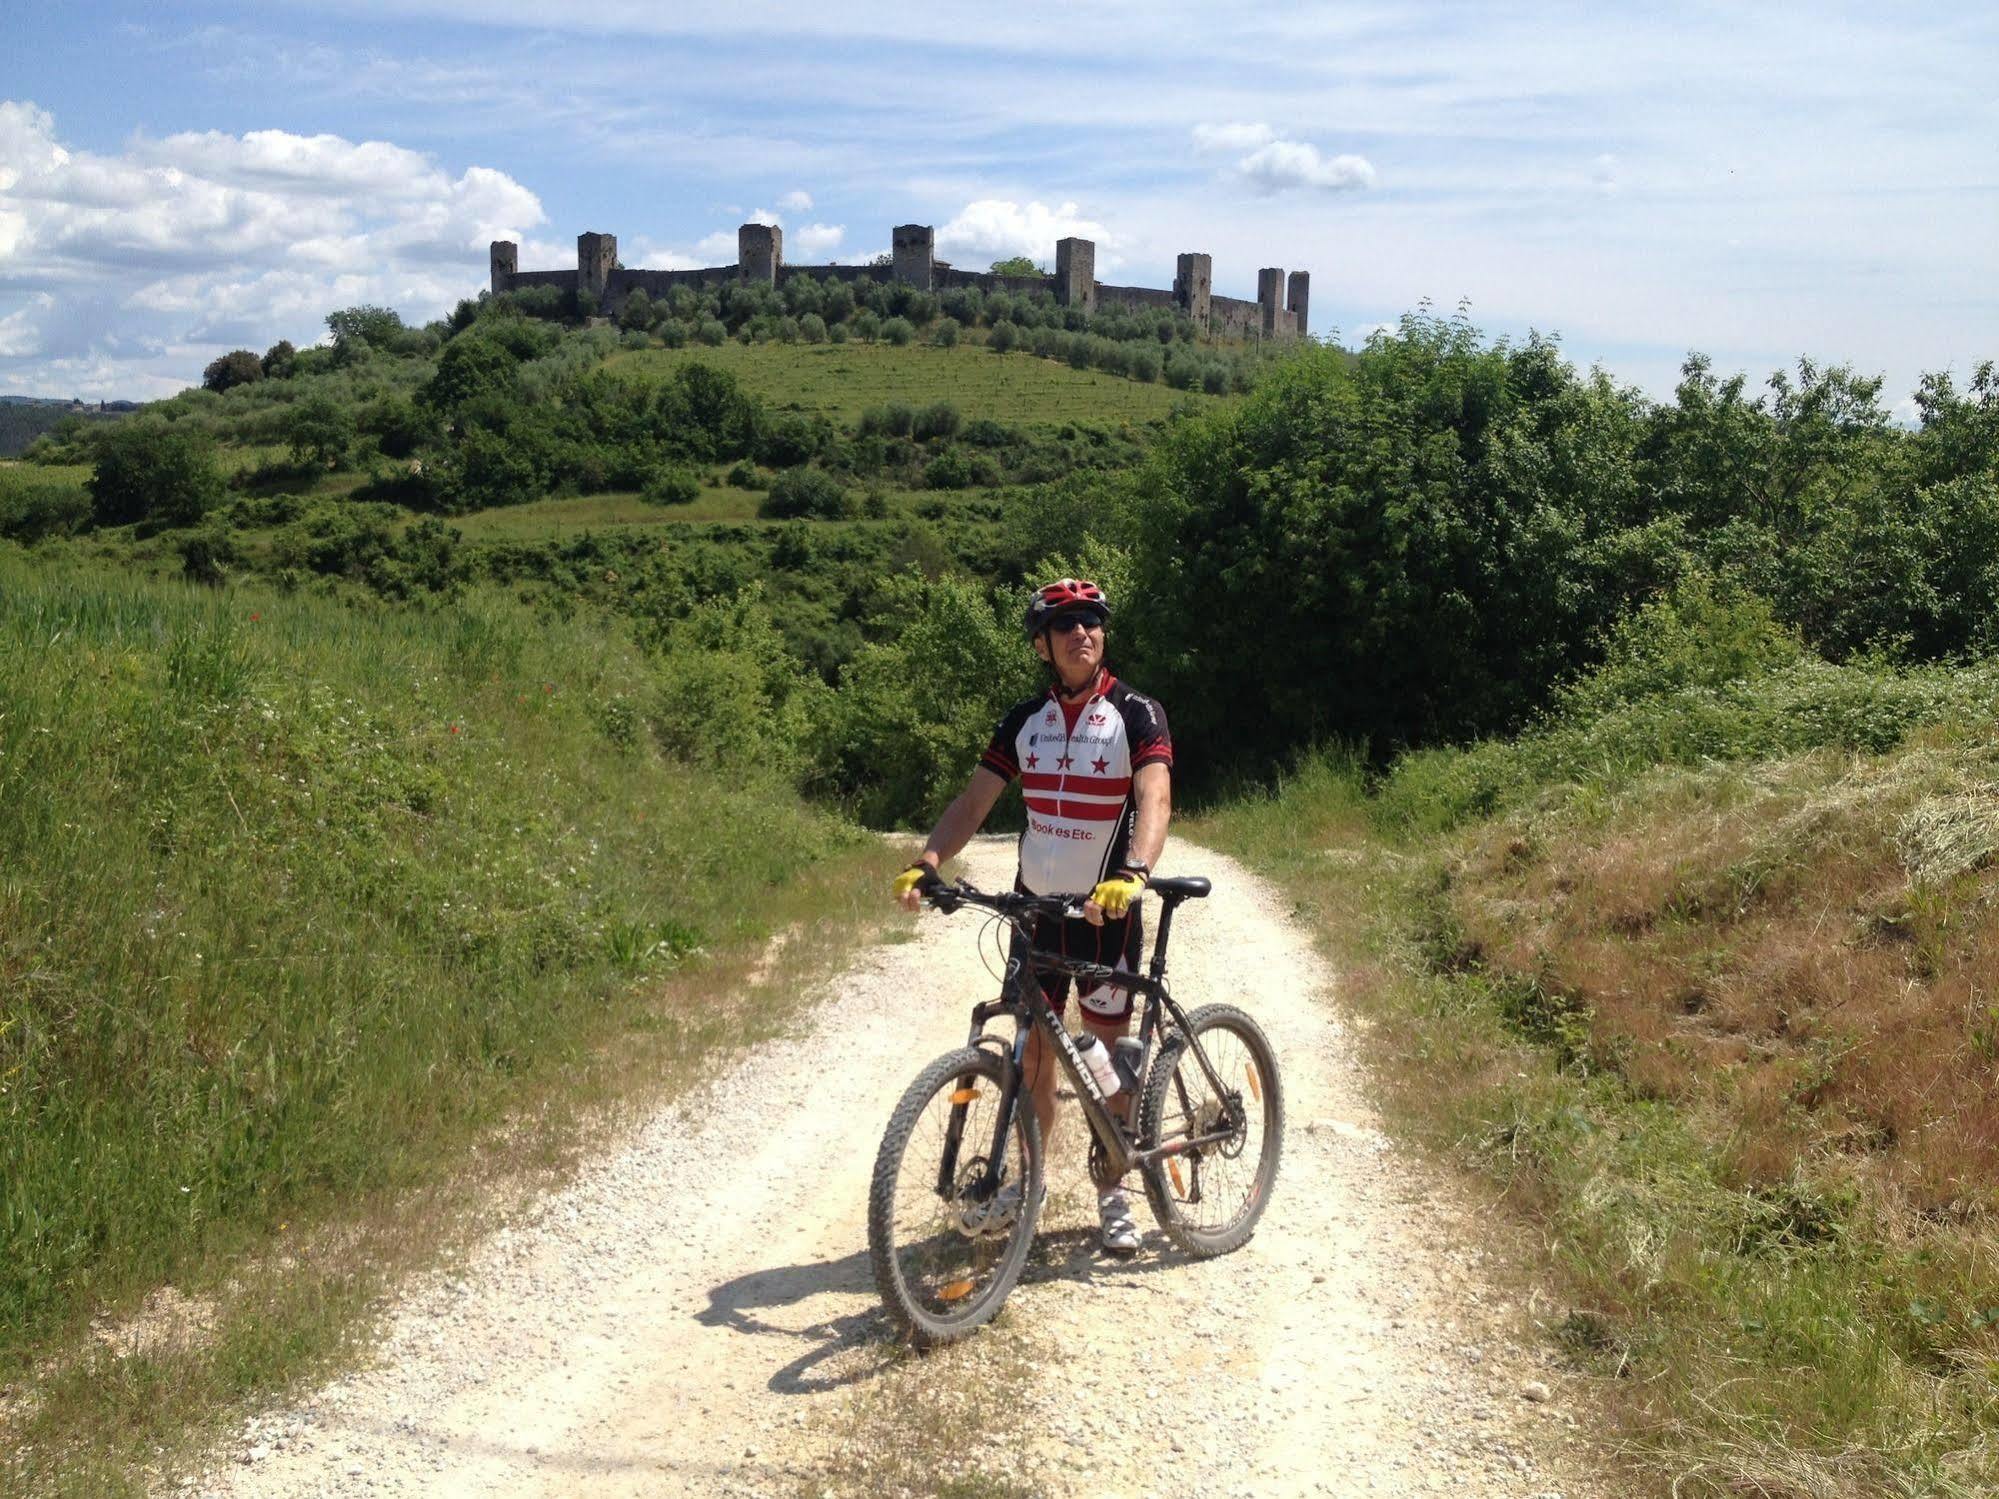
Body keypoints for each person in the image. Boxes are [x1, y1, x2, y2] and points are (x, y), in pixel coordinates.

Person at [892, 577, 1172, 1253]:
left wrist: (1132, 874)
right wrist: (928, 859)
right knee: (1037, 1053)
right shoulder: (1024, 721)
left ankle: (1115, 1189)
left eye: (1093, 622)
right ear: (1042, 645)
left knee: (1105, 1054)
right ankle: (1034, 1180)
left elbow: (1155, 795)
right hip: (1033, 913)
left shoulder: (1136, 711)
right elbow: (974, 801)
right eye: (1068, 624)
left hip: (1104, 914)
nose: (1084, 632)